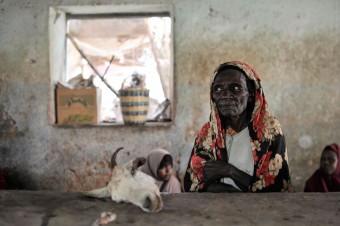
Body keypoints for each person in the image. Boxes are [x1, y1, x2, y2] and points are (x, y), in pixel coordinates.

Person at [184, 61, 293, 192]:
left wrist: (229, 170)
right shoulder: (207, 132)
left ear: (251, 93)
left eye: (235, 88)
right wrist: (224, 189)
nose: (226, 95)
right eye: (217, 89)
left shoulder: (269, 130)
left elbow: (276, 187)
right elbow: (192, 183)